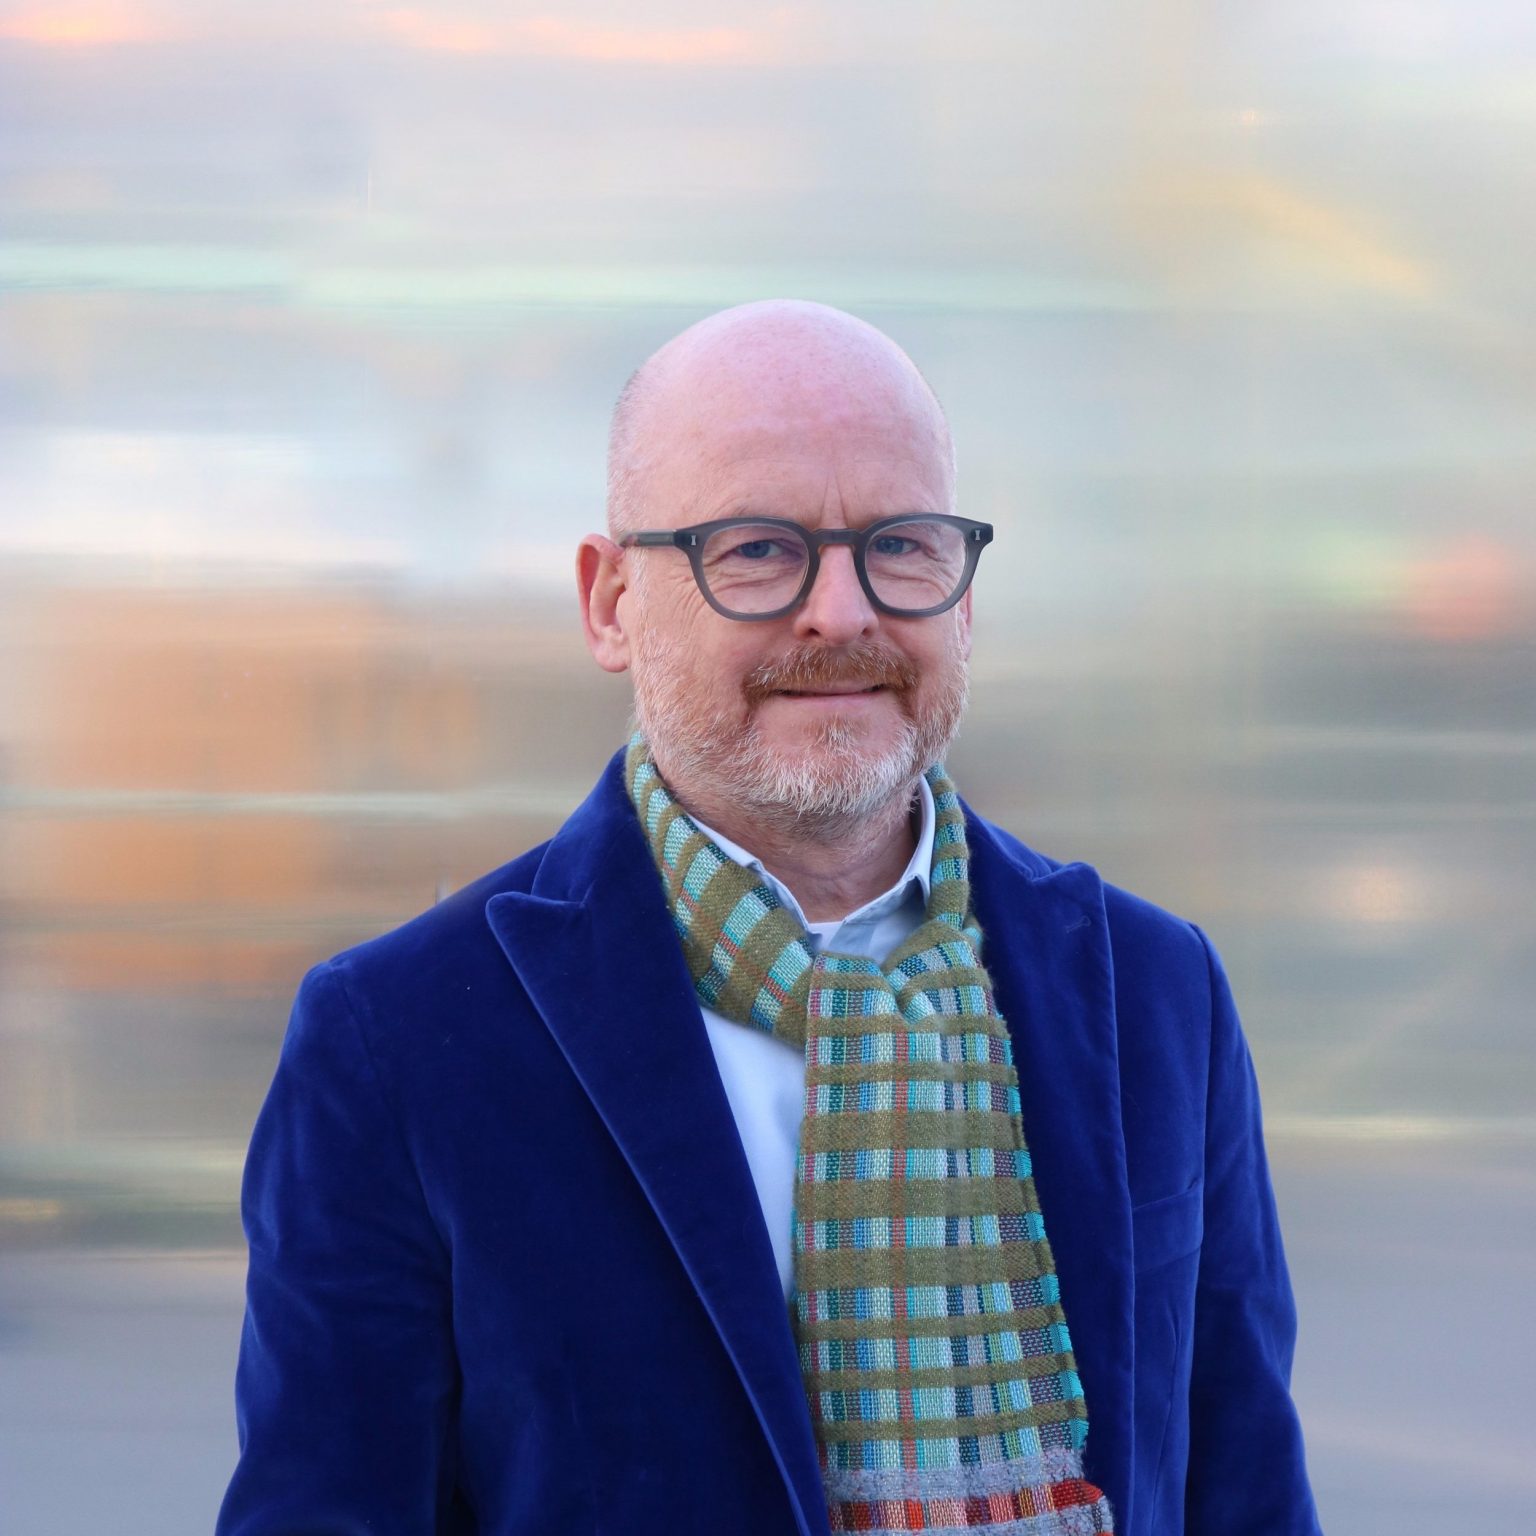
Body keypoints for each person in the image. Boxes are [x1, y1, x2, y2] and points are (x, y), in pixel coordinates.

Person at [217, 301, 1321, 1536]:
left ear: (964, 599)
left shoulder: (1155, 990)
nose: (842, 612)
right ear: (610, 602)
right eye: (756, 549)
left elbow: (1247, 1491)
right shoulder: (401, 1039)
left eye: (900, 545)